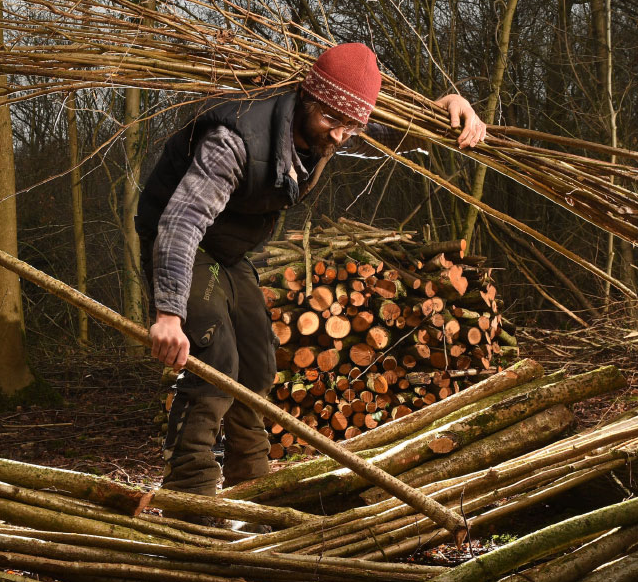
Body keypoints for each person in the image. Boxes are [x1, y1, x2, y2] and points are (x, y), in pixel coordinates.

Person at [135, 42, 486, 520]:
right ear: (307, 98)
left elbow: (388, 132)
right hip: (181, 241)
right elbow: (181, 222)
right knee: (215, 361)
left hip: (228, 250)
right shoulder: (234, 139)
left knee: (257, 364)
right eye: (331, 121)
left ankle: (249, 490)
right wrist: (169, 314)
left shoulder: (333, 123)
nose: (340, 135)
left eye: (351, 126)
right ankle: (190, 502)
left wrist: (445, 108)